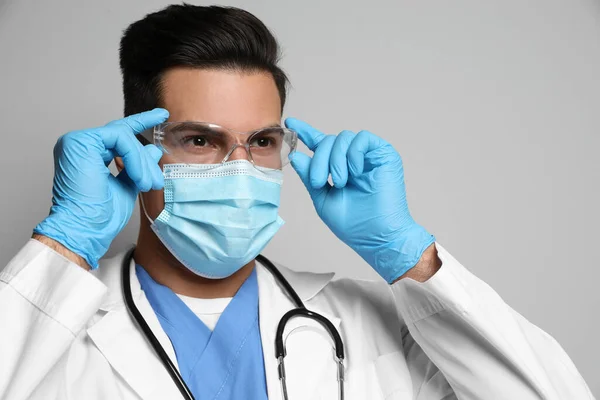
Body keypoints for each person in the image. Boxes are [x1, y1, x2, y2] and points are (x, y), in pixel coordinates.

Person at [0, 4, 594, 400]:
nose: (239, 168)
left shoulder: (369, 326)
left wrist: (406, 254)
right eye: (200, 140)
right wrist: (64, 241)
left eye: (261, 142)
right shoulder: (50, 327)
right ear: (135, 147)